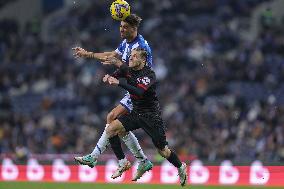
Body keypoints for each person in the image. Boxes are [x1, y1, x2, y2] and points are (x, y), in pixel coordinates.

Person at [73, 14, 153, 180]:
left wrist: (118, 66)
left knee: (112, 119)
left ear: (134, 29)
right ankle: (139, 161)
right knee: (115, 124)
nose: (121, 29)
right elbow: (112, 55)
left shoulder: (140, 47)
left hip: (141, 91)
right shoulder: (126, 43)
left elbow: (136, 72)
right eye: (120, 27)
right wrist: (88, 54)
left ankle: (95, 157)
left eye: (125, 27)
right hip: (132, 89)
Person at [102, 48, 188, 186]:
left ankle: (180, 166)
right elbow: (118, 72)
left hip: (151, 117)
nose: (131, 58)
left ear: (143, 60)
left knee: (163, 151)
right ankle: (123, 162)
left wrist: (119, 83)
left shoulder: (149, 74)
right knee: (111, 129)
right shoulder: (128, 69)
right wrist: (110, 76)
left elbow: (139, 92)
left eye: (135, 56)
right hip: (136, 113)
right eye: (130, 55)